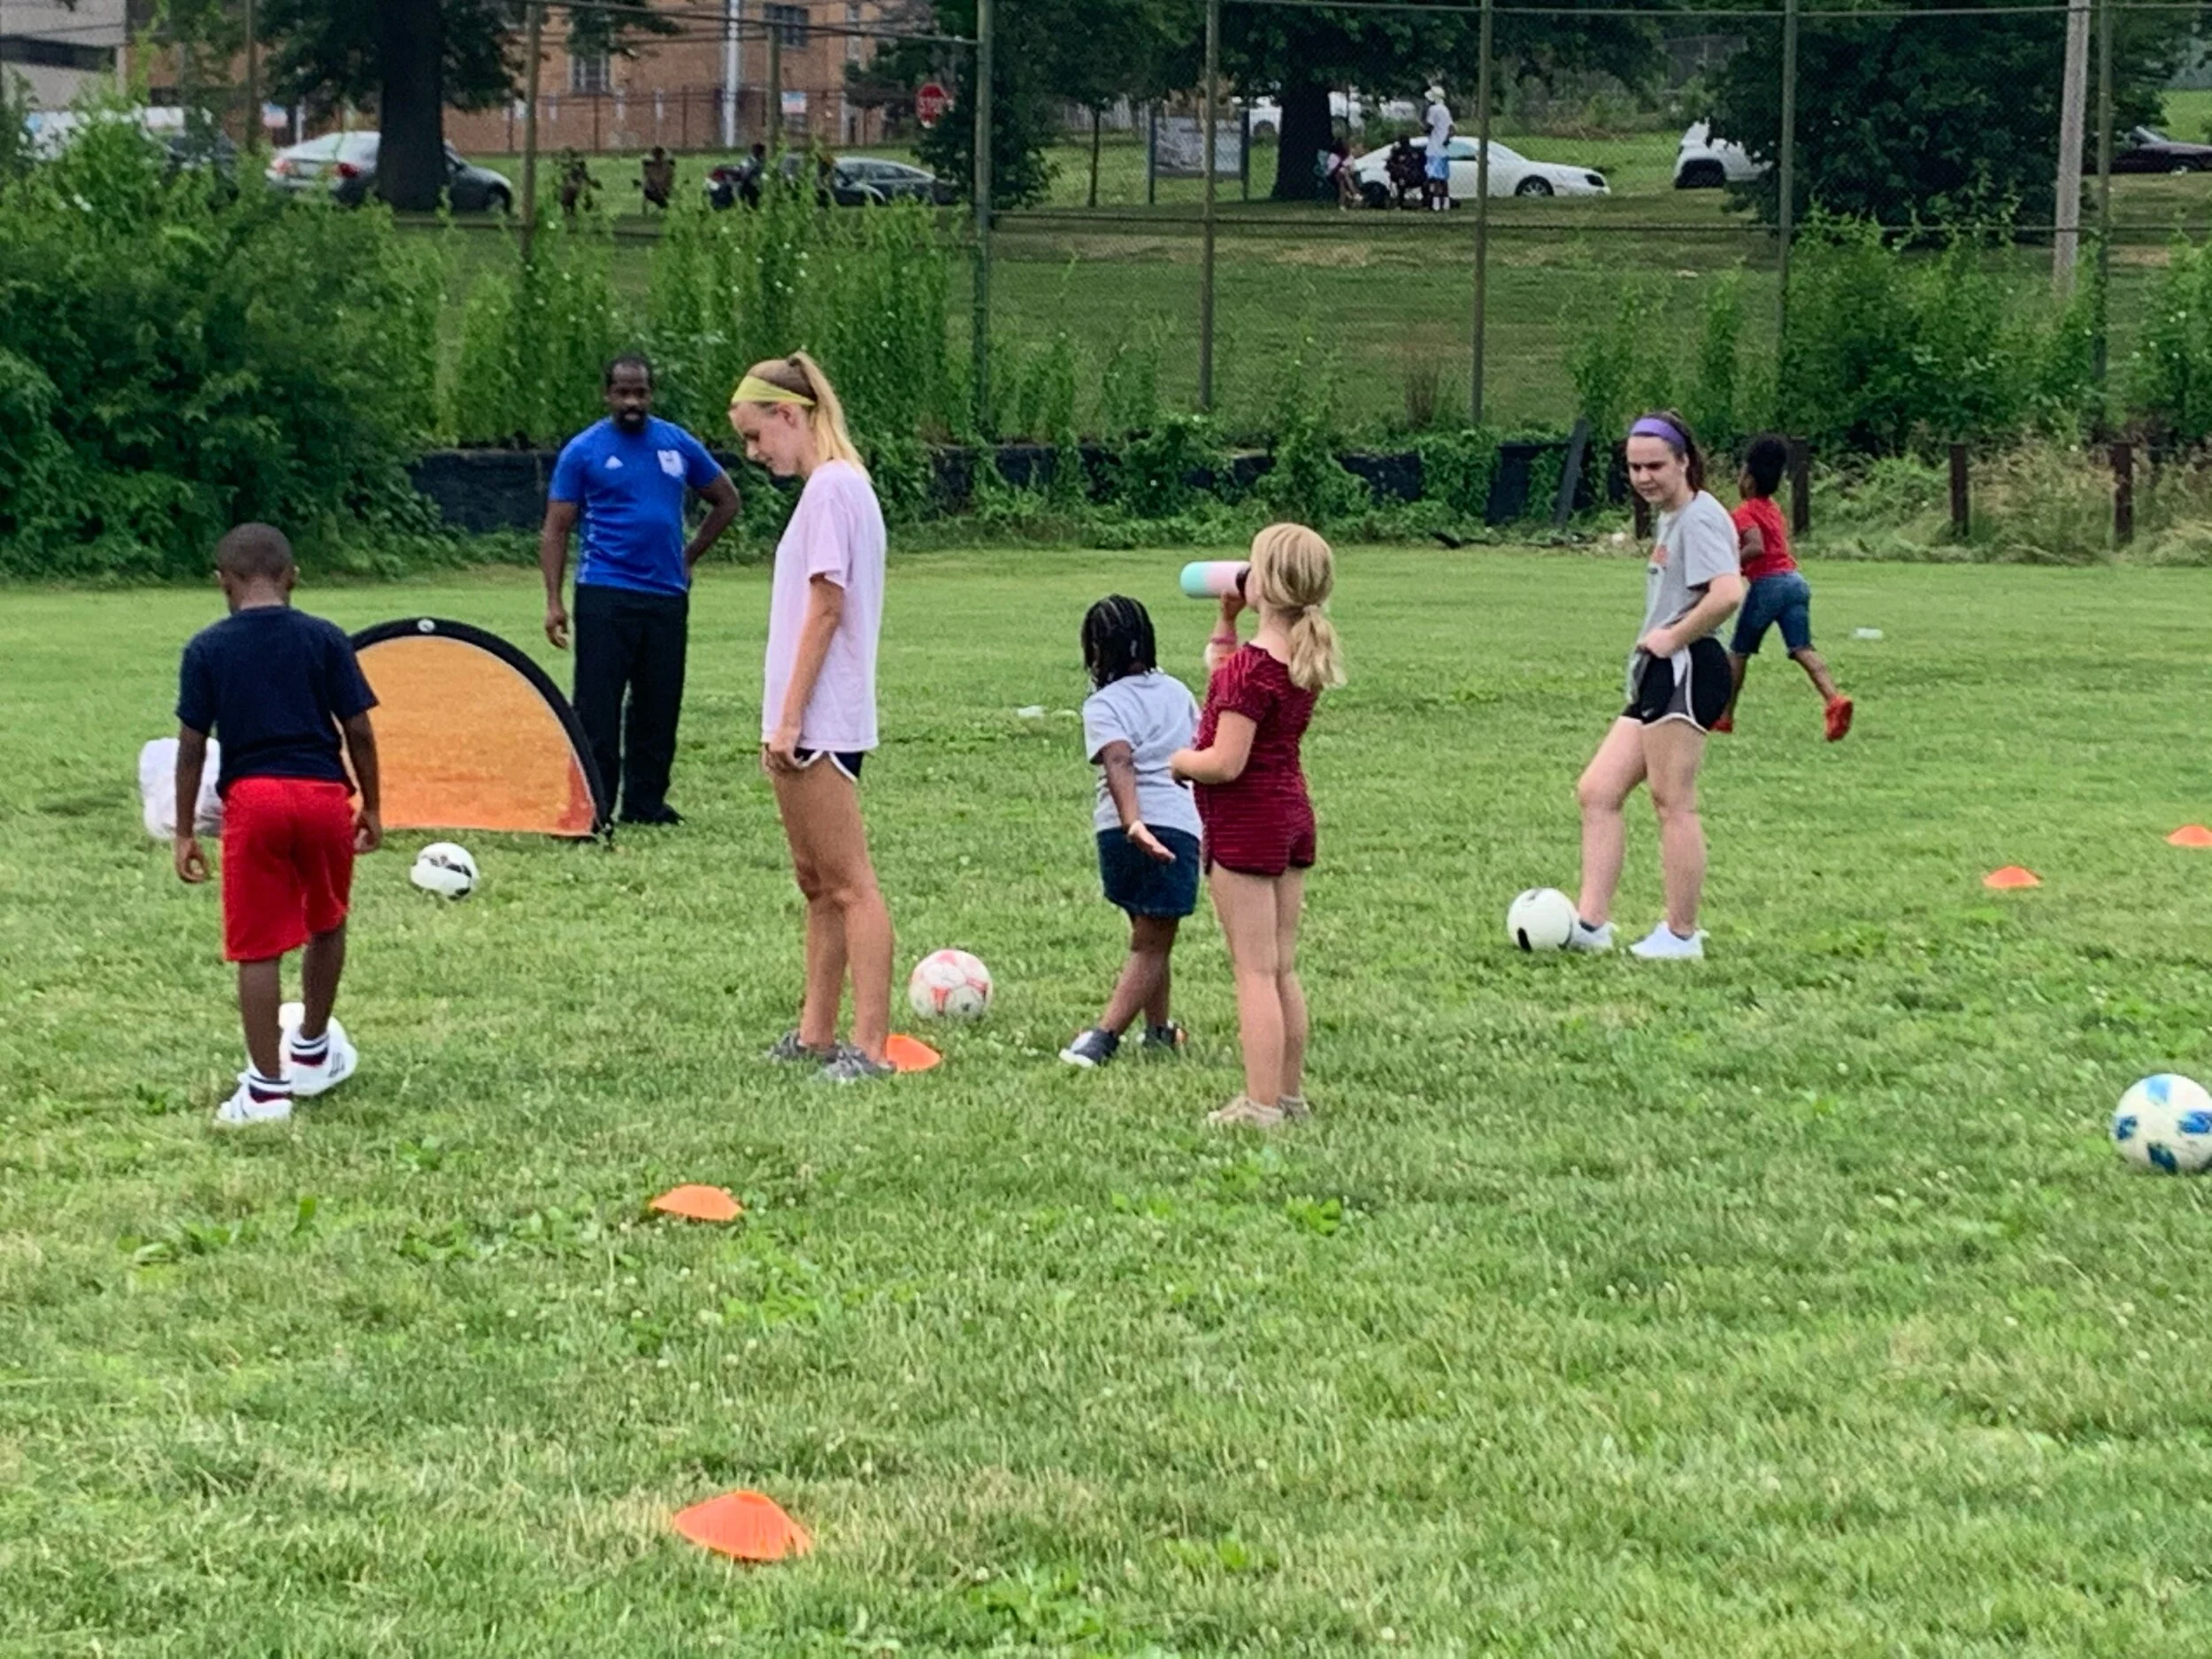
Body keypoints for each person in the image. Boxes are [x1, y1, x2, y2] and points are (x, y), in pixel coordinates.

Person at [172, 524, 381, 1127]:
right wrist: (372, 804)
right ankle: (312, 1049)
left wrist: (185, 829)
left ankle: (266, 1091)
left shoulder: (206, 648)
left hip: (255, 800)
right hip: (322, 795)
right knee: (328, 919)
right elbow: (359, 729)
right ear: (293, 575)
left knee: (258, 947)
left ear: (222, 582)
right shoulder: (325, 638)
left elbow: (191, 748)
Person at [729, 353, 897, 1084]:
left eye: (756, 435)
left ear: (790, 416)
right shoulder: (834, 489)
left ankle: (871, 1046)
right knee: (816, 883)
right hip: (809, 720)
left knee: (850, 882)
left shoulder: (832, 489)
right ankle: (816, 1034)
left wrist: (790, 719)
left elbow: (826, 609)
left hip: (820, 722)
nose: (753, 452)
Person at [1171, 524, 1346, 1129]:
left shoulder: (1250, 669)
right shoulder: (1296, 659)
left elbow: (1224, 760)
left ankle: (1261, 1104)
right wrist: (1225, 623)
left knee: (1254, 971)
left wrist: (1177, 762)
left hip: (1247, 824)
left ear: (1265, 584)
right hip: (1291, 816)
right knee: (1281, 965)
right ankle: (1289, 1096)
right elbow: (1227, 685)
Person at [1570, 411, 1745, 962]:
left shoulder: (1700, 517)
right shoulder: (1671, 517)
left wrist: (1673, 637)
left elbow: (1728, 592)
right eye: (1634, 467)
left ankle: (1682, 933)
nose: (1644, 477)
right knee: (1598, 791)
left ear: (1684, 461)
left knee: (1674, 803)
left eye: (1655, 466)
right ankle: (1592, 924)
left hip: (1689, 666)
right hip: (1659, 672)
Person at [541, 354, 742, 826]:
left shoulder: (676, 443)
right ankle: (594, 805)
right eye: (623, 392)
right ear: (607, 395)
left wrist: (688, 556)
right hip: (605, 592)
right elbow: (556, 529)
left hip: (666, 596)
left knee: (658, 703)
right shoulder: (584, 451)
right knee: (597, 706)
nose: (632, 401)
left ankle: (646, 804)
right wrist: (553, 601)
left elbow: (726, 500)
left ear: (652, 394)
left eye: (641, 392)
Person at [1060, 596, 1202, 1070]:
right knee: (1153, 941)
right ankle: (1104, 1038)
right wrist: (1138, 821)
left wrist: (1130, 823)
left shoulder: (1103, 704)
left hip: (1119, 833)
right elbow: (1194, 755)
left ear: (1096, 650)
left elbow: (1118, 759)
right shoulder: (1179, 693)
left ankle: (1159, 1031)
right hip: (1174, 827)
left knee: (1149, 934)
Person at [1715, 434, 1853, 741]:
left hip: (1769, 585)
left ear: (1748, 480)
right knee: (1802, 648)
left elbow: (1756, 547)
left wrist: (1730, 566)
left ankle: (1725, 716)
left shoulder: (1745, 512)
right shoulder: (1773, 508)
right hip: (1795, 582)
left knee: (1738, 652)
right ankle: (1834, 699)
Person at [1422, 84, 1454, 211]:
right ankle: (1446, 202)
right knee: (1444, 178)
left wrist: (1423, 128)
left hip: (1434, 148)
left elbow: (1429, 127)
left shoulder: (1433, 110)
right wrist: (1446, 139)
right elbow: (1452, 129)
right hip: (1444, 149)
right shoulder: (1446, 110)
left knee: (1434, 177)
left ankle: (1435, 204)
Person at [640, 145, 676, 211]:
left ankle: (661, 203)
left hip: (663, 190)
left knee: (660, 194)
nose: (657, 156)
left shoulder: (667, 168)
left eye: (659, 154)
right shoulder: (650, 167)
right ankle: (662, 203)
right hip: (652, 191)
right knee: (654, 193)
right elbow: (648, 180)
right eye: (656, 154)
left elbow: (669, 181)